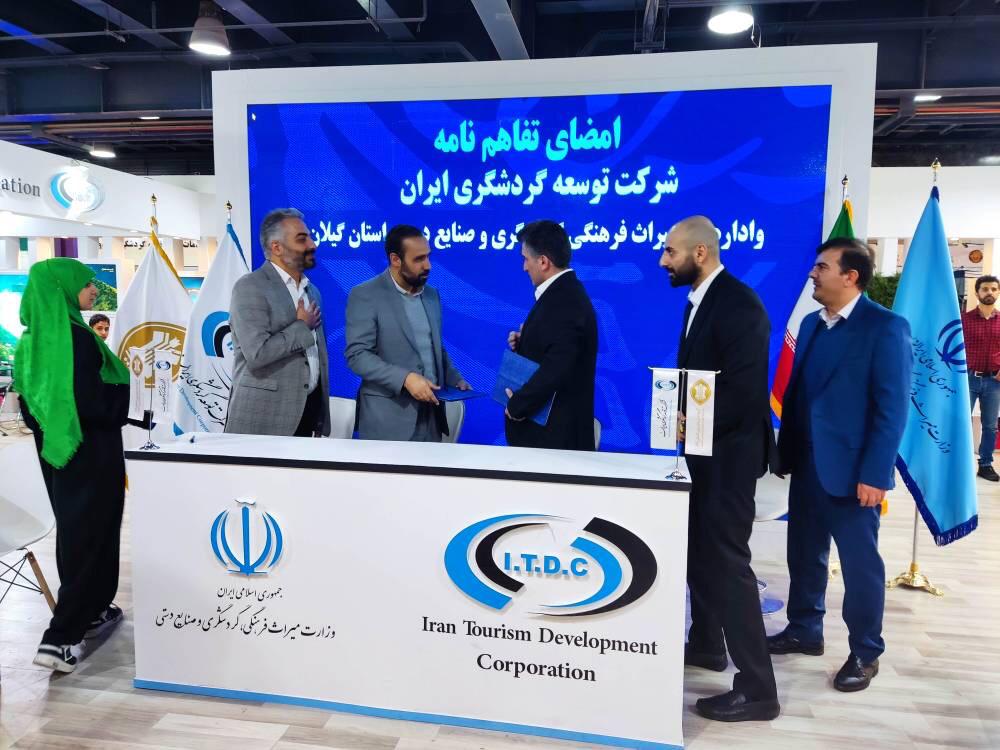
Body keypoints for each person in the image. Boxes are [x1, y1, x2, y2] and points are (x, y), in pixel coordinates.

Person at [770, 238, 912, 693]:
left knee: (859, 566)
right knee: (803, 554)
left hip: (854, 474)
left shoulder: (885, 327)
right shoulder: (811, 324)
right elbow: (798, 396)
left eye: (822, 267)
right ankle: (804, 629)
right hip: (807, 464)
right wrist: (785, 451)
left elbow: (892, 410)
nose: (813, 274)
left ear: (850, 276)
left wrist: (876, 473)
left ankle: (866, 652)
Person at [660, 215, 778, 722]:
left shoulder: (738, 304)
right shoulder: (701, 300)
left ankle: (759, 690)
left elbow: (745, 390)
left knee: (728, 564)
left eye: (670, 252)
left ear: (700, 253)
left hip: (730, 456)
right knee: (700, 553)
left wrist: (694, 418)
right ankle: (708, 643)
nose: (663, 261)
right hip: (705, 452)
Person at [14, 259, 131, 673]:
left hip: (56, 456)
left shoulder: (31, 342)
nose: (94, 291)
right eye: (86, 284)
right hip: (93, 452)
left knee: (77, 534)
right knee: (93, 536)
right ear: (63, 289)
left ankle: (94, 610)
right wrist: (120, 399)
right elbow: (95, 403)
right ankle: (60, 636)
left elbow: (29, 407)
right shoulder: (78, 339)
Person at [345, 224, 469, 441]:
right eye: (419, 259)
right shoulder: (365, 295)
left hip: (431, 417)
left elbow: (433, 347)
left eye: (428, 257)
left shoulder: (432, 295)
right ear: (395, 260)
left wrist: (453, 378)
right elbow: (358, 356)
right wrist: (405, 379)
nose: (428, 265)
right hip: (387, 421)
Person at [226, 208, 331, 437]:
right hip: (263, 417)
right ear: (276, 247)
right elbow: (257, 354)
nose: (313, 244)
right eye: (302, 239)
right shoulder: (250, 287)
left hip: (306, 414)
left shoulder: (312, 291)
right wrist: (301, 326)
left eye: (310, 237)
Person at [504, 220, 597, 450]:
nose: (524, 267)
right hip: (548, 442)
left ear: (543, 261)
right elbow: (556, 348)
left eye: (526, 259)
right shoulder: (562, 294)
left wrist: (518, 405)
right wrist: (525, 342)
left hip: (555, 444)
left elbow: (556, 368)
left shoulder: (565, 301)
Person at [962, 274, 1000, 481]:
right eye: (985, 289)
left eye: (993, 289)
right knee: (961, 422)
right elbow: (955, 348)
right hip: (967, 379)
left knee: (990, 425)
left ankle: (985, 465)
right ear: (977, 293)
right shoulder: (964, 320)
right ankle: (959, 464)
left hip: (994, 382)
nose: (989, 292)